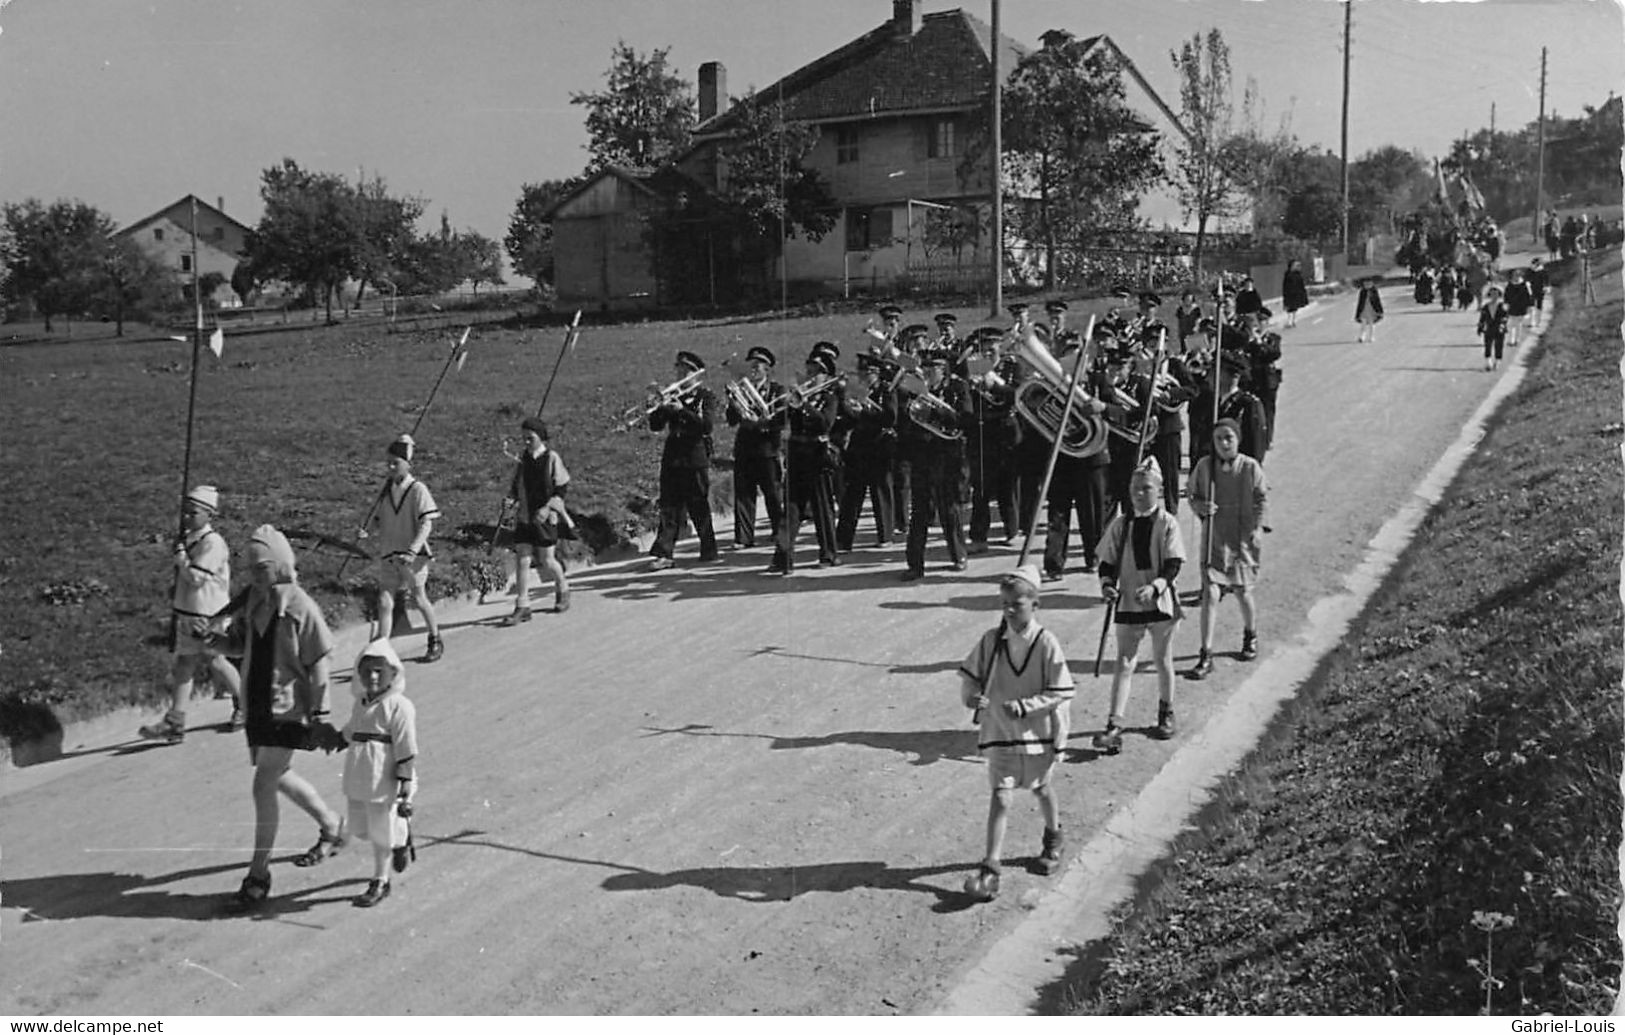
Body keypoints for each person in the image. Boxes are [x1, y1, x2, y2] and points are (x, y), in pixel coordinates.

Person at [215, 525, 345, 911]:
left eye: (262, 568)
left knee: (263, 783)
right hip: (258, 705)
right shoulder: (255, 602)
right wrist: (215, 644)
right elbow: (239, 644)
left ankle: (259, 873)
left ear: (281, 565)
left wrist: (321, 713)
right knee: (277, 775)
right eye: (252, 569)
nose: (255, 576)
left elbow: (321, 660)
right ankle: (332, 825)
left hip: (291, 708)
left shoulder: (300, 606)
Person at [957, 564, 1075, 903]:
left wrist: (1027, 706)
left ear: (1035, 605)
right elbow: (970, 679)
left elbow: (1061, 691)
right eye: (1004, 603)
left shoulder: (1046, 642)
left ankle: (1054, 835)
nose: (1009, 610)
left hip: (1038, 733)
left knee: (1041, 789)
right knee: (1001, 795)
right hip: (1000, 732)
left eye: (1017, 604)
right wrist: (971, 697)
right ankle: (991, 866)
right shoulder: (991, 641)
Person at [1091, 461, 1185, 755]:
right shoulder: (1121, 524)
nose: (1140, 494)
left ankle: (1166, 710)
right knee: (1124, 661)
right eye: (1135, 489)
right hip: (1130, 600)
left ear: (1158, 490)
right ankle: (1114, 722)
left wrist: (1156, 586)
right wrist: (1107, 583)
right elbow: (1106, 560)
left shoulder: (1167, 522)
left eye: (1146, 488)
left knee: (1161, 658)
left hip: (1159, 601)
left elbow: (1173, 562)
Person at [141, 485, 244, 742]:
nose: (187, 517)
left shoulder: (213, 543)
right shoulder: (189, 539)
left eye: (194, 512)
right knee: (184, 664)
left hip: (209, 615)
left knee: (216, 661)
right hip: (187, 613)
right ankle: (175, 721)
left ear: (209, 514)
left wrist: (181, 560)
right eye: (185, 512)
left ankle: (246, 705)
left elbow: (198, 577)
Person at [339, 638, 419, 908]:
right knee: (363, 827)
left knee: (380, 830)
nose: (372, 677)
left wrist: (405, 780)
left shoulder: (399, 706)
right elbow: (351, 731)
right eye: (366, 671)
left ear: (393, 674)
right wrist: (328, 739)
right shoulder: (361, 703)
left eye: (379, 671)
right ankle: (401, 837)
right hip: (360, 775)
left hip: (383, 777)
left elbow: (406, 746)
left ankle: (380, 880)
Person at [1185, 420, 1268, 681]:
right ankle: (1205, 653)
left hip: (1242, 538)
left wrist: (1257, 527)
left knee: (1243, 591)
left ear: (1238, 439)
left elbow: (1261, 499)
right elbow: (1192, 495)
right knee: (1210, 594)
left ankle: (1250, 633)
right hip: (1216, 538)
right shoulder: (1204, 467)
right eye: (1219, 438)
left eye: (1228, 437)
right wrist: (1201, 507)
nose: (1223, 443)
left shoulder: (1250, 467)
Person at [367, 434, 443, 663]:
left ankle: (435, 638)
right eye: (388, 462)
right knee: (384, 600)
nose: (391, 467)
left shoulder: (418, 489)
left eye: (396, 463)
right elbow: (379, 518)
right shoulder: (386, 490)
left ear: (408, 464)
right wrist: (368, 528)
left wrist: (413, 550)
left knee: (419, 598)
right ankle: (382, 649)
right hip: (389, 553)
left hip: (412, 557)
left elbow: (426, 523)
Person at [899, 348, 972, 580]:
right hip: (922, 456)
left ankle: (958, 555)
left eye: (933, 369)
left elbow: (965, 418)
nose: (928, 373)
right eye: (926, 369)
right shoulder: (915, 390)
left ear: (944, 370)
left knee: (949, 509)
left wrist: (937, 406)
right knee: (919, 512)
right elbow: (905, 420)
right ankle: (915, 564)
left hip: (947, 455)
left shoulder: (957, 389)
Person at [771, 348, 842, 574]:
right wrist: (784, 406)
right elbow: (779, 419)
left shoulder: (830, 397)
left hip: (817, 455)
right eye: (810, 371)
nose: (811, 376)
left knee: (821, 508)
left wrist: (805, 405)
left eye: (817, 373)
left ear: (826, 376)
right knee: (790, 510)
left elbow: (825, 424)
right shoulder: (798, 396)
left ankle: (829, 554)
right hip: (796, 454)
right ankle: (783, 558)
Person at [648, 351, 719, 569]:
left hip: (694, 456)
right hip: (673, 457)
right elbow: (656, 426)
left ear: (696, 374)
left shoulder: (705, 396)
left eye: (685, 370)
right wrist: (657, 407)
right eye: (678, 369)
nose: (680, 373)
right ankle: (664, 553)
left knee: (698, 504)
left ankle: (709, 547)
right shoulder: (673, 397)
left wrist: (683, 411)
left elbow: (706, 426)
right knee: (669, 506)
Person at [500, 416, 573, 624]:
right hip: (524, 515)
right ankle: (522, 606)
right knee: (522, 558)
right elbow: (516, 486)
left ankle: (563, 587)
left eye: (530, 438)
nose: (526, 442)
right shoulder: (523, 461)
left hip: (545, 517)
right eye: (523, 438)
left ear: (540, 437)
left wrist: (548, 507)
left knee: (547, 560)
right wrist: (510, 500)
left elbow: (562, 487)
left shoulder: (551, 458)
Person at [723, 345, 786, 551]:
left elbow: (780, 421)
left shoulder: (777, 390)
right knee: (743, 494)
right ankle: (743, 536)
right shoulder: (741, 389)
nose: (754, 369)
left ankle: (779, 530)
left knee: (773, 493)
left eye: (758, 366)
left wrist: (759, 423)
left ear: (767, 369)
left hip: (767, 448)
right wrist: (732, 401)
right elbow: (732, 420)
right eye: (751, 365)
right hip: (745, 448)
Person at [835, 353, 899, 550]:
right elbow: (850, 419)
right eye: (861, 374)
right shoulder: (858, 391)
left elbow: (890, 418)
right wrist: (848, 408)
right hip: (859, 446)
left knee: (881, 491)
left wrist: (864, 411)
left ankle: (885, 535)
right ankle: (843, 539)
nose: (862, 378)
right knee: (852, 493)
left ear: (875, 374)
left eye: (866, 374)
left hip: (879, 445)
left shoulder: (886, 391)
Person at [1477, 285, 1510, 373]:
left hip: (1499, 328)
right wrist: (1480, 327)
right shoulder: (1486, 306)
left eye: (1496, 294)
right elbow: (1482, 318)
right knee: (1487, 345)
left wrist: (1502, 326)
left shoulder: (1503, 306)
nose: (1494, 296)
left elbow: (1505, 317)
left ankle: (1497, 361)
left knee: (1499, 345)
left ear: (1499, 295)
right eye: (1492, 294)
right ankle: (1488, 362)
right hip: (1489, 328)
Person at [1502, 269, 1534, 347]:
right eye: (1515, 275)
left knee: (1518, 324)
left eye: (1518, 275)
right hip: (1512, 306)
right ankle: (1511, 340)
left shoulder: (1525, 284)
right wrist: (1506, 304)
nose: (1516, 277)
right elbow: (1506, 296)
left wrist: (1529, 306)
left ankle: (1516, 340)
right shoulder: (1509, 285)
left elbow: (1529, 296)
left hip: (1521, 307)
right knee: (1511, 324)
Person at [1354, 276, 1384, 343]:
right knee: (1363, 324)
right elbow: (1360, 302)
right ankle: (1361, 337)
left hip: (1372, 310)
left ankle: (1371, 337)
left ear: (1372, 284)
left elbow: (1378, 301)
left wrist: (1380, 311)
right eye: (1365, 284)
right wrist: (1357, 313)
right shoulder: (1362, 292)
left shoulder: (1374, 291)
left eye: (1369, 284)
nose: (1367, 285)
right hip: (1364, 310)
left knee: (1371, 324)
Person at [1281, 260, 1309, 328]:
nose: (1299, 267)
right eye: (1296, 265)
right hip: (1290, 294)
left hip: (1297, 294)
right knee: (1290, 308)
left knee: (1294, 308)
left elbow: (1301, 285)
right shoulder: (1288, 275)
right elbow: (1286, 286)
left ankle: (1292, 321)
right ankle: (1290, 322)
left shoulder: (1298, 275)